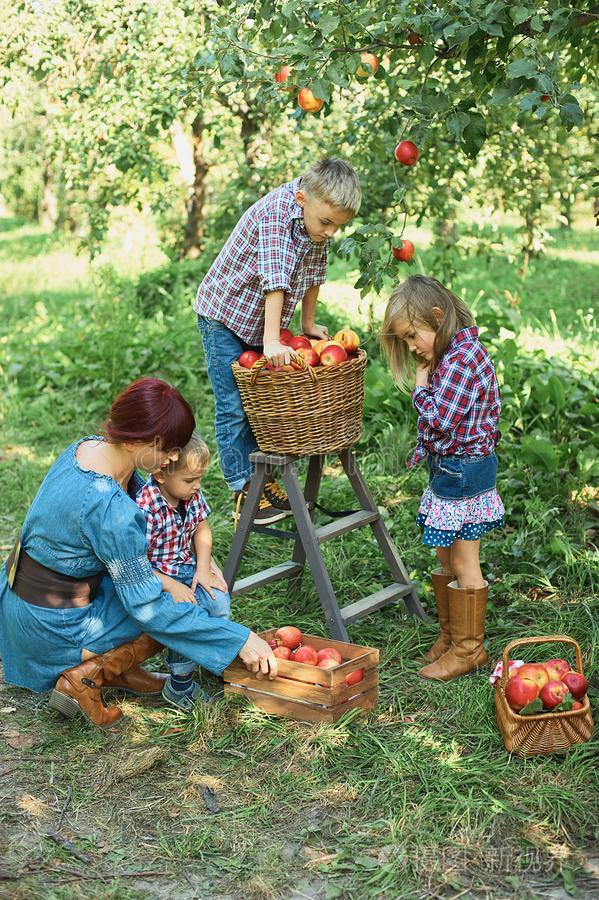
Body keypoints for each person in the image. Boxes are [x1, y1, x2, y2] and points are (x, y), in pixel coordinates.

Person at [0, 378, 277, 730]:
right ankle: (86, 677)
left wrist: (199, 561)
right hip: (52, 628)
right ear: (138, 440)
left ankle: (122, 670)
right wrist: (239, 639)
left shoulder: (85, 450)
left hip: (22, 605)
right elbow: (148, 608)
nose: (175, 457)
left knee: (177, 579)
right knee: (186, 599)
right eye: (170, 448)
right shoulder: (109, 508)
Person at [194, 157, 361, 524]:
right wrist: (272, 339)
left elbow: (315, 272)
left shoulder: (316, 223)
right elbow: (276, 280)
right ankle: (242, 491)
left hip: (259, 323)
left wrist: (309, 323)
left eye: (338, 226)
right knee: (234, 405)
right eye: (326, 223)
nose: (331, 231)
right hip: (224, 316)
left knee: (262, 405)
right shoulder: (275, 215)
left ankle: (262, 482)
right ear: (302, 198)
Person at [380, 275, 504, 681]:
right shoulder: (453, 355)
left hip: (465, 472)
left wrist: (419, 386)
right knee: (445, 555)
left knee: (465, 561)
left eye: (413, 336)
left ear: (438, 316)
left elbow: (440, 419)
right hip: (452, 470)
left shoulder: (462, 360)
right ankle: (451, 637)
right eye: (406, 341)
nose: (413, 348)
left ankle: (469, 650)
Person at [136, 431, 232, 711]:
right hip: (157, 578)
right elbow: (137, 563)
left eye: (199, 479)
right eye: (190, 480)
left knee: (218, 600)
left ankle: (217, 657)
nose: (197, 486)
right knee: (185, 616)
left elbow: (202, 528)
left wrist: (203, 568)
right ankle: (180, 684)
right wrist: (171, 585)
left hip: (187, 567)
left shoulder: (190, 496)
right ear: (161, 475)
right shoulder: (146, 507)